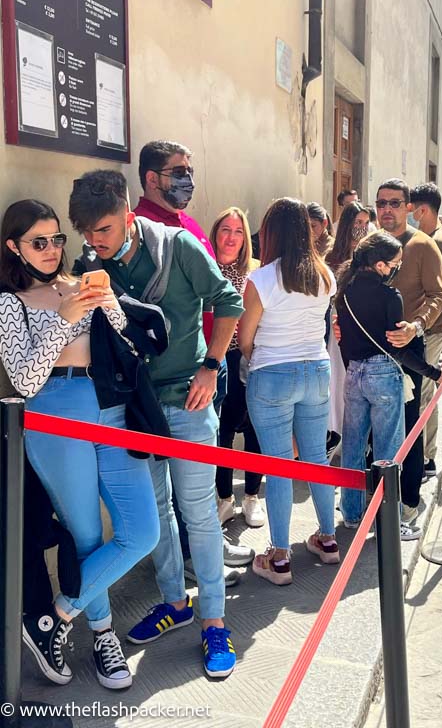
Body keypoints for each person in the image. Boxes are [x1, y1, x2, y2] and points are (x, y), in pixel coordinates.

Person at [69, 170, 243, 679]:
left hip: (189, 399)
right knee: (155, 514)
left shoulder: (179, 245)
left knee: (198, 512)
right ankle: (174, 602)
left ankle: (214, 619)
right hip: (133, 408)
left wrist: (212, 366)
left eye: (102, 230)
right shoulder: (91, 264)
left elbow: (228, 302)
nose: (93, 242)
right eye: (86, 233)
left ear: (127, 215)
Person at [0, 199, 160, 689]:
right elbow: (24, 380)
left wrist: (106, 302)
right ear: (14, 247)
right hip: (53, 411)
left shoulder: (82, 281)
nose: (51, 250)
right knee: (87, 535)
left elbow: (133, 343)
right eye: (38, 242)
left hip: (109, 404)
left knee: (142, 530)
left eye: (56, 239)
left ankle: (54, 616)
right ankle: (104, 635)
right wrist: (64, 318)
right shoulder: (9, 302)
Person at [133, 140, 253, 576]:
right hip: (176, 377)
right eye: (177, 171)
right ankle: (187, 559)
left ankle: (203, 545)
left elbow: (220, 295)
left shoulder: (184, 224)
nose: (187, 179)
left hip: (206, 366)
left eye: (189, 170)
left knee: (198, 481)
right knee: (176, 485)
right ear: (151, 178)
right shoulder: (143, 230)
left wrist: (213, 363)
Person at [239, 198, 338, 585]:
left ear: (271, 233)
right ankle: (327, 540)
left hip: (272, 373)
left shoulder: (261, 279)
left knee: (278, 464)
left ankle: (279, 557)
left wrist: (257, 356)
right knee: (316, 458)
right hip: (316, 370)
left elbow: (245, 339)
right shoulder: (325, 275)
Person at [335, 232, 442, 533]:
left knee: (352, 447)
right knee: (388, 454)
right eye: (394, 264)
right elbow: (396, 348)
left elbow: (344, 342)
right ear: (378, 265)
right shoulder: (391, 297)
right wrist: (434, 373)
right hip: (383, 376)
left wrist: (353, 366)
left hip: (354, 374)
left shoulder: (345, 292)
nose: (396, 270)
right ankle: (388, 524)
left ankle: (351, 515)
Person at [375, 179, 442, 534]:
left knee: (409, 428)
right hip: (370, 352)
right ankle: (376, 502)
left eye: (394, 203)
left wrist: (416, 327)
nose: (387, 209)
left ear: (407, 207)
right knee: (376, 430)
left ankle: (408, 505)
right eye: (381, 203)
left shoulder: (424, 246)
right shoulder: (369, 245)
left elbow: (437, 296)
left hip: (408, 352)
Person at [209, 207, 265, 528]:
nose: (231, 237)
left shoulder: (256, 272)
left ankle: (252, 497)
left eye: (238, 232)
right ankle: (225, 498)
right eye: (225, 230)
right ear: (215, 233)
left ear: (246, 239)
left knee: (254, 427)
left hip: (249, 358)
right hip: (215, 361)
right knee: (222, 432)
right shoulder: (204, 267)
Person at [409, 185, 442, 480]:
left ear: (422, 210)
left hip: (432, 328)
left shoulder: (435, 242)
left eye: (411, 208)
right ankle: (426, 454)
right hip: (436, 327)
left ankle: (426, 456)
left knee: (424, 394)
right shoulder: (440, 238)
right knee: (426, 391)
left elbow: (432, 294)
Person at [326, 201, 371, 439]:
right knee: (339, 381)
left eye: (365, 223)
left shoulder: (370, 254)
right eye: (358, 222)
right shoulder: (332, 255)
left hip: (363, 326)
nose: (362, 228)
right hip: (337, 326)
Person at [326, 202, 371, 272]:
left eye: (367, 223)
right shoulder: (332, 256)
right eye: (359, 222)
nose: (364, 227)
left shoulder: (369, 253)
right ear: (348, 224)